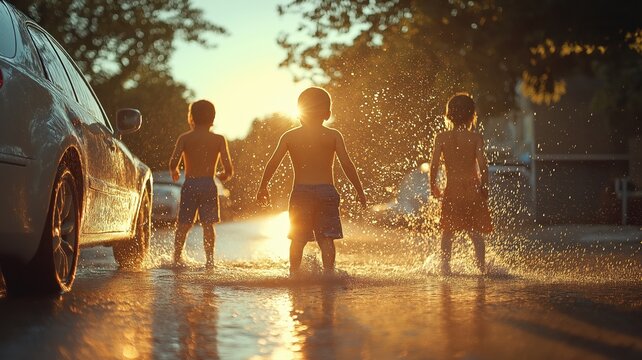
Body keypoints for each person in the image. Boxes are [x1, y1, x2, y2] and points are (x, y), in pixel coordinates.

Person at [256, 87, 367, 276]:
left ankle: (294, 274)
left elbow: (272, 162)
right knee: (326, 239)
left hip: (301, 193)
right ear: (327, 113)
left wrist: (263, 186)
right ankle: (329, 274)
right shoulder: (333, 135)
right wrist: (360, 190)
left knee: (297, 238)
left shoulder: (290, 136)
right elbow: (347, 165)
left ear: (299, 112)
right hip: (327, 192)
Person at [430, 93, 493, 275]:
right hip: (472, 191)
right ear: (472, 114)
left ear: (449, 114)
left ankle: (445, 269)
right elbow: (483, 167)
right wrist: (484, 187)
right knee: (475, 233)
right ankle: (481, 270)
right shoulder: (475, 138)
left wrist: (432, 185)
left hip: (452, 191)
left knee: (447, 233)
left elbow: (434, 165)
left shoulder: (441, 137)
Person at [169, 99, 234, 269]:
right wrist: (224, 175)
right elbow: (228, 168)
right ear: (213, 117)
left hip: (190, 184)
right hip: (208, 184)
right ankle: (210, 260)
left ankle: (176, 258)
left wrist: (174, 171)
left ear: (191, 117)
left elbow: (173, 161)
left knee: (183, 224)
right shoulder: (218, 139)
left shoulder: (185, 138)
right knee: (208, 224)